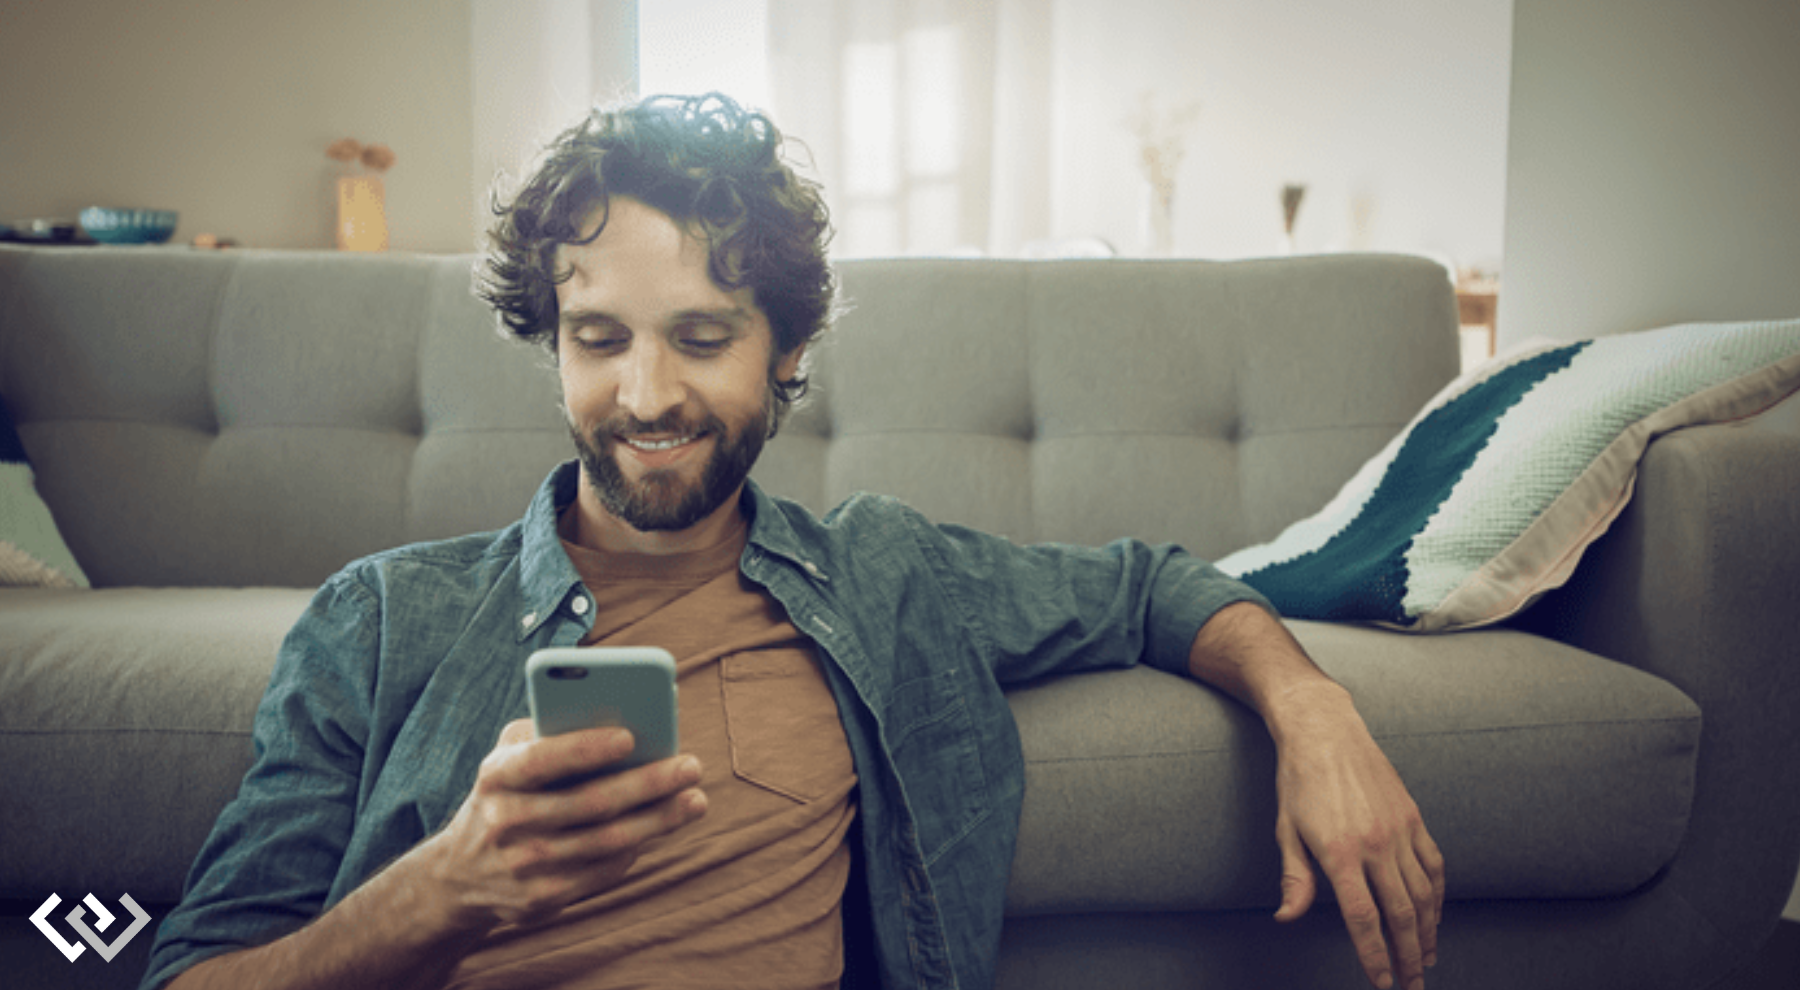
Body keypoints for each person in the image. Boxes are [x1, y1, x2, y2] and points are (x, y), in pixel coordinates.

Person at [141, 93, 1443, 990]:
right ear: (553, 341)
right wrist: (446, 887)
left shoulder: (881, 575)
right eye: (598, 339)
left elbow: (1154, 586)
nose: (645, 394)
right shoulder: (380, 621)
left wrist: (1315, 717)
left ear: (788, 352)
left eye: (702, 337)